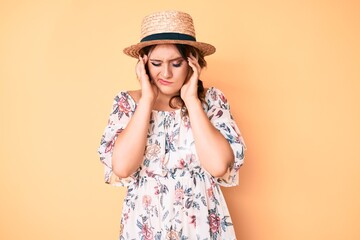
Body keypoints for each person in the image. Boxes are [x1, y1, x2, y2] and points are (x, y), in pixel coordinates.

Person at [98, 10, 246, 240]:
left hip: (201, 224)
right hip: (146, 222)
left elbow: (218, 166)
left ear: (192, 63)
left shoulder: (212, 101)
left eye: (176, 64)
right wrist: (146, 100)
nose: (165, 73)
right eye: (156, 63)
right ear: (143, 64)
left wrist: (192, 101)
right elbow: (122, 168)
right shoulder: (127, 103)